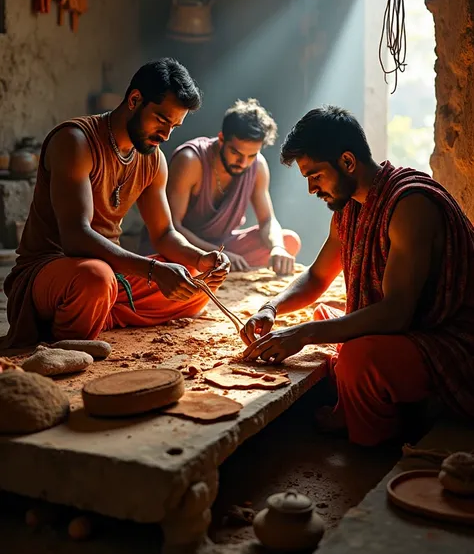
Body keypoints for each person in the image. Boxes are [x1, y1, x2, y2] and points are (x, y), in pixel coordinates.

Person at [241, 106, 474, 446]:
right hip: (410, 330)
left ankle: (373, 441)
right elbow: (317, 278)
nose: (311, 189)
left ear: (347, 162)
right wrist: (271, 307)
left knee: (356, 358)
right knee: (326, 316)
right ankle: (354, 403)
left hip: (451, 340)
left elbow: (396, 314)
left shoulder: (410, 205)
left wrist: (302, 334)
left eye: (315, 175)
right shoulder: (351, 207)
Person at [2, 59, 230, 348]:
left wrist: (200, 258)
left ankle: (98, 315)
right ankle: (70, 336)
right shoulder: (75, 141)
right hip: (55, 272)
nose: (166, 135)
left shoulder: (152, 158)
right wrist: (151, 271)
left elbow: (164, 234)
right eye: (161, 119)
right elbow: (75, 238)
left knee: (194, 278)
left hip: (113, 275)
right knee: (96, 278)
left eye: (174, 126)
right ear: (135, 100)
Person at [139, 98, 301, 275]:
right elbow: (172, 227)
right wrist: (216, 256)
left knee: (288, 241)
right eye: (236, 153)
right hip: (183, 247)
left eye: (251, 155)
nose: (243, 162)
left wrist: (278, 248)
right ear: (222, 139)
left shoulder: (258, 166)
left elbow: (267, 220)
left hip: (223, 245)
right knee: (179, 271)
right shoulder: (191, 160)